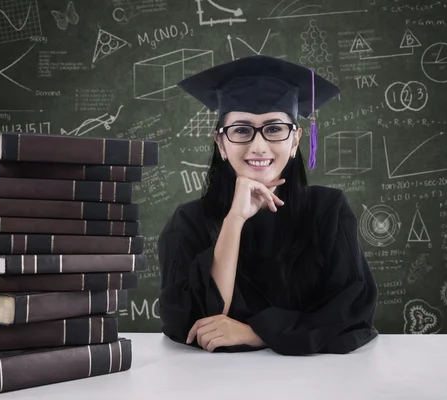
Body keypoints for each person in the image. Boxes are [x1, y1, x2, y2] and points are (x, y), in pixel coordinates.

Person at [157, 55, 379, 356]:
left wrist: (257, 334)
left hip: (317, 383)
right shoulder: (188, 223)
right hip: (212, 383)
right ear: (221, 144)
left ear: (295, 141)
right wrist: (235, 220)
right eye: (241, 130)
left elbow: (353, 312)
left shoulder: (328, 211)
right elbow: (191, 325)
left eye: (274, 129)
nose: (258, 146)